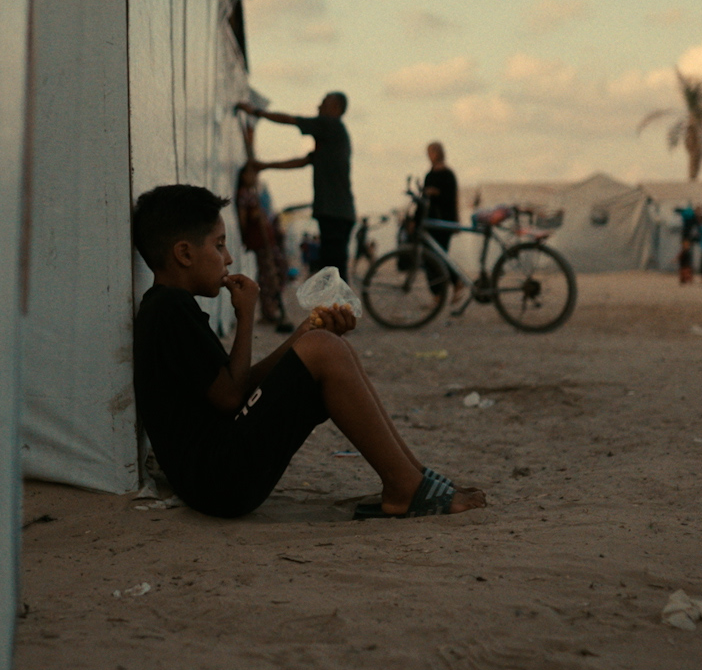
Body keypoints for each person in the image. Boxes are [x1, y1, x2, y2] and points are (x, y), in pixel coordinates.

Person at [131, 184, 485, 519]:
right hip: (217, 481)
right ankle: (405, 486)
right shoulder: (169, 310)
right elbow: (232, 396)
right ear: (184, 253)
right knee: (323, 348)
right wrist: (247, 316)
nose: (228, 258)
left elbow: (238, 388)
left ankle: (411, 476)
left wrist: (301, 335)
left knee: (325, 345)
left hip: (219, 475)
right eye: (219, 245)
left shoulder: (172, 308)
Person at [239, 91, 356, 281]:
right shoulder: (330, 139)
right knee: (333, 269)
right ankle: (337, 307)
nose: (319, 107)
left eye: (324, 103)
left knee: (333, 271)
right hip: (336, 213)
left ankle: (338, 308)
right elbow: (301, 162)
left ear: (336, 108)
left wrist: (256, 112)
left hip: (335, 213)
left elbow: (291, 120)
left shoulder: (331, 125)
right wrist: (265, 165)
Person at [235, 118, 297, 333]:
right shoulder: (245, 195)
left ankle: (273, 309)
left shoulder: (254, 193)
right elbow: (244, 218)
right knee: (268, 275)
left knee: (273, 272)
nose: (253, 177)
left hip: (266, 240)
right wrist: (246, 234)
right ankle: (270, 312)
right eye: (250, 174)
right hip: (259, 240)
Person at [421, 142, 464, 305]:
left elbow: (451, 199)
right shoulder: (429, 175)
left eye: (432, 151)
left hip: (444, 221)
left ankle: (452, 284)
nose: (430, 155)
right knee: (431, 258)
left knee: (439, 256)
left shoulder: (448, 174)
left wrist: (437, 193)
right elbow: (425, 200)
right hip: (430, 221)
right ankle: (441, 291)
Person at [676, 205, 701, 285]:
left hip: (686, 239)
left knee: (685, 261)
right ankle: (687, 278)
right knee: (687, 261)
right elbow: (697, 227)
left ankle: (685, 278)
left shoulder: (688, 218)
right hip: (688, 239)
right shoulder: (693, 219)